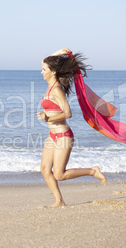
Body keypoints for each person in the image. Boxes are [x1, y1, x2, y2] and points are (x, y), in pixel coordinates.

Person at [36, 47, 107, 208]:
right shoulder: (50, 84)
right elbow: (44, 61)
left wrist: (48, 117)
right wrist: (57, 53)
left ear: (52, 72)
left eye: (44, 70)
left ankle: (93, 171)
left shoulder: (56, 89)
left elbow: (68, 113)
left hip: (63, 136)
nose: (41, 71)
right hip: (52, 135)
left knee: (59, 174)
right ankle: (59, 201)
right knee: (45, 169)